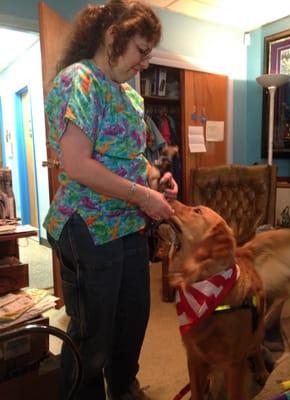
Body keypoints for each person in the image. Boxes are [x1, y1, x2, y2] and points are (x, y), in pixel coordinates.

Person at [44, 1, 178, 399]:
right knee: (93, 337)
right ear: (112, 37)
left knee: (133, 321)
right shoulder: (78, 82)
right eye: (141, 50)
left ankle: (123, 389)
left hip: (129, 226)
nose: (145, 63)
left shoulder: (131, 98)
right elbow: (78, 165)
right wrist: (143, 194)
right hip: (86, 227)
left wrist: (156, 179)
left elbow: (131, 162)